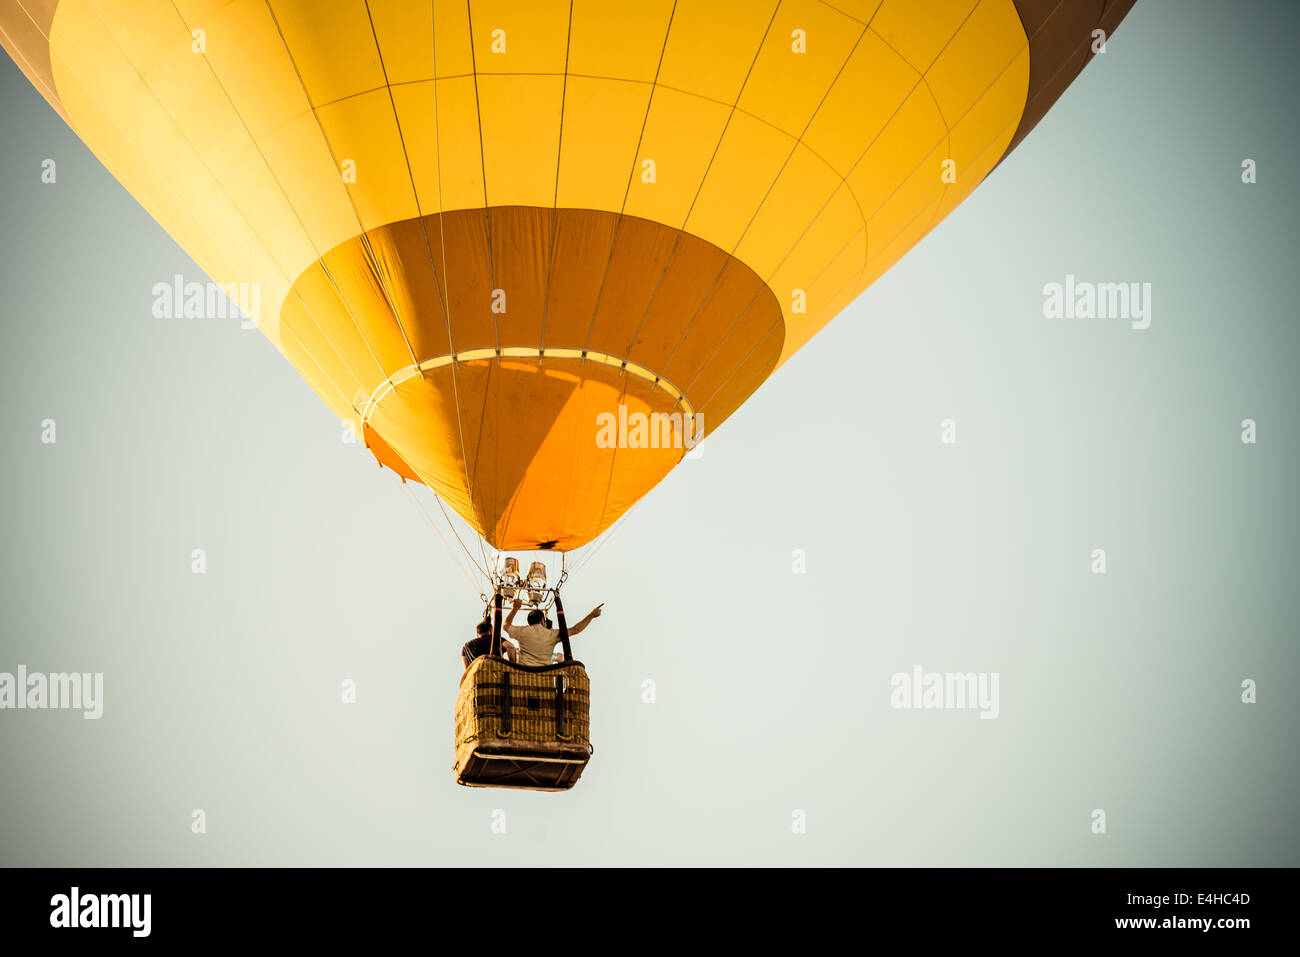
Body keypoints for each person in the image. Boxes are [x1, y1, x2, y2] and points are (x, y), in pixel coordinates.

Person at [503, 597, 603, 666]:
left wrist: (515, 608)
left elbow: (506, 625)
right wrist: (591, 615)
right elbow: (575, 629)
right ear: (543, 620)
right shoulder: (551, 634)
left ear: (530, 622)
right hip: (545, 678)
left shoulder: (522, 632)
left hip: (523, 676)